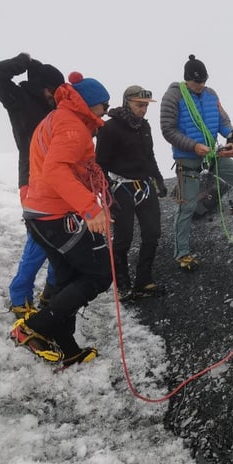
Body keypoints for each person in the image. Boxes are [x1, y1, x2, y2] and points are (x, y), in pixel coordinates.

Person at [10, 72, 113, 368]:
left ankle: (67, 348)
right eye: (103, 105)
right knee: (99, 273)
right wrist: (90, 209)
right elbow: (56, 171)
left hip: (39, 212)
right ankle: (34, 328)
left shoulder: (56, 119)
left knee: (68, 277)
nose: (105, 110)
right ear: (89, 103)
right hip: (56, 213)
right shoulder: (72, 126)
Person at [159, 54, 233, 270]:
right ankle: (182, 254)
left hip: (212, 155)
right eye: (197, 82)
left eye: (204, 81)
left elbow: (223, 120)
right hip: (188, 159)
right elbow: (168, 130)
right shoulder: (173, 96)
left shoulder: (211, 94)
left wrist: (231, 134)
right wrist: (193, 146)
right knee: (187, 206)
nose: (201, 86)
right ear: (187, 80)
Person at [0, 52, 63, 319]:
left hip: (57, 179)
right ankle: (20, 298)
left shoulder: (53, 106)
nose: (56, 96)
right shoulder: (18, 99)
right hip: (31, 179)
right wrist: (24, 61)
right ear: (41, 86)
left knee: (63, 237)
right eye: (53, 90)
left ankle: (52, 292)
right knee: (40, 240)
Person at [95, 84, 166, 302]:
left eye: (145, 105)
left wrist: (159, 178)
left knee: (152, 233)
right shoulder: (109, 128)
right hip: (120, 187)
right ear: (127, 103)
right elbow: (100, 165)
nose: (143, 110)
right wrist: (107, 195)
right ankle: (123, 285)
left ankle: (144, 280)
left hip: (144, 184)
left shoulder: (144, 126)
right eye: (139, 105)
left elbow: (149, 155)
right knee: (123, 239)